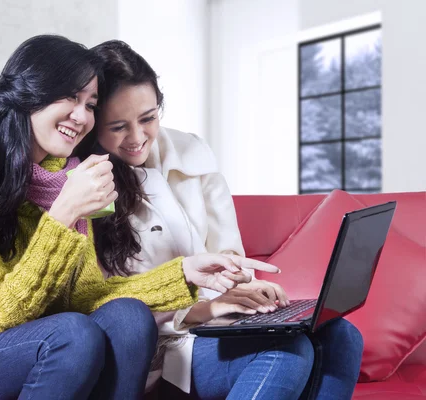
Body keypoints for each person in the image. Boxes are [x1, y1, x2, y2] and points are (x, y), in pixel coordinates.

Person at [0, 35, 279, 400]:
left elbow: (89, 298)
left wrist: (185, 273)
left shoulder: (68, 177)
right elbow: (2, 312)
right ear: (27, 95)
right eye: (70, 98)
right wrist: (63, 214)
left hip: (43, 342)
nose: (81, 116)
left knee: (127, 316)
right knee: (72, 332)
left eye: (91, 104)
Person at [75, 39, 364, 400]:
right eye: (117, 126)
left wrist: (245, 291)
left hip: (214, 324)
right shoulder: (85, 183)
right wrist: (204, 309)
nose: (137, 138)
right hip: (161, 346)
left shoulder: (191, 153)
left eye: (148, 119)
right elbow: (105, 307)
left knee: (343, 336)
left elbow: (228, 255)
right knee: (288, 351)